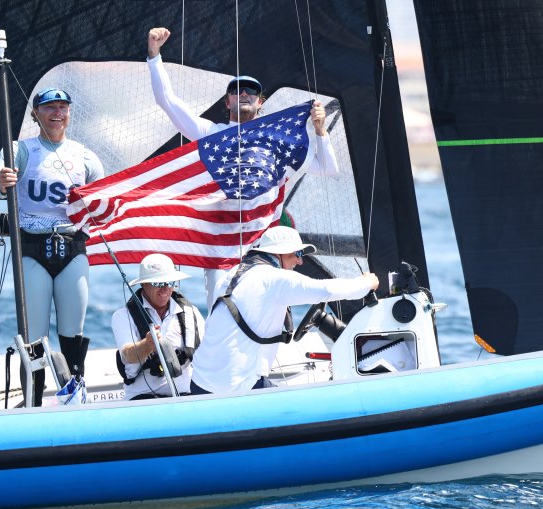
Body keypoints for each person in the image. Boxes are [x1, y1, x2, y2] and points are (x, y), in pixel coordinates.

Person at [146, 27, 339, 309]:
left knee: (265, 318)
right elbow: (168, 102)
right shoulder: (212, 134)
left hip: (263, 246)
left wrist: (320, 130)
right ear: (227, 102)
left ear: (261, 102)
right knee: (221, 313)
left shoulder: (277, 143)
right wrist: (154, 55)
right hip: (222, 245)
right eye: (236, 91)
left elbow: (328, 168)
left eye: (251, 91)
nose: (244, 94)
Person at [0, 88, 105, 402]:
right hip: (32, 251)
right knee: (35, 340)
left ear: (69, 113)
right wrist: (2, 183)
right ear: (36, 114)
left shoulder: (85, 156)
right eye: (49, 108)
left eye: (62, 108)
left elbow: (103, 199)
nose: (57, 114)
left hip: (72, 250)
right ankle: (34, 402)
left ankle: (74, 397)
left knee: (72, 334)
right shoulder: (19, 150)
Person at [189, 226, 378, 396]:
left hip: (200, 383)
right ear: (279, 253)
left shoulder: (234, 274)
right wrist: (366, 283)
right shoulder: (274, 279)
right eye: (297, 253)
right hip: (236, 387)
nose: (300, 261)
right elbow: (326, 290)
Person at [112, 254, 205, 400]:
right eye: (157, 283)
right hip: (142, 398)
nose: (165, 288)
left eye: (170, 282)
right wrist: (147, 345)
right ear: (143, 284)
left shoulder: (191, 312)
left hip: (185, 396)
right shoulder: (122, 316)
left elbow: (207, 353)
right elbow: (126, 355)